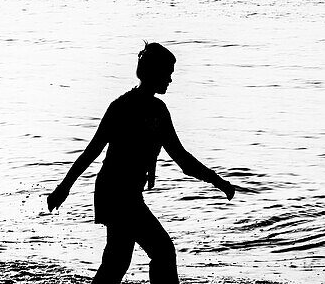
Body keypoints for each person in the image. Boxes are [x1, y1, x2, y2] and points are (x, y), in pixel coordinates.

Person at [47, 42, 236, 283]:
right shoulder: (121, 107)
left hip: (130, 194)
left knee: (118, 261)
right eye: (167, 73)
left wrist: (218, 182)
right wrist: (63, 188)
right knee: (161, 252)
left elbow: (182, 158)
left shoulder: (159, 111)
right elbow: (92, 150)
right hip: (115, 192)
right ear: (153, 72)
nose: (169, 79)